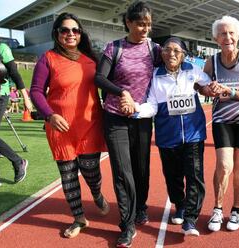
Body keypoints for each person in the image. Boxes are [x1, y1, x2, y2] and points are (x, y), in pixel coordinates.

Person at [30, 12, 109, 239]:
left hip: (90, 124)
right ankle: (79, 218)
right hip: (60, 128)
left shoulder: (91, 59)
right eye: (65, 30)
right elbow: (36, 91)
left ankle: (96, 193)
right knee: (68, 176)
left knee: (90, 170)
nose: (70, 34)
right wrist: (49, 115)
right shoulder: (48, 58)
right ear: (57, 34)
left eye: (75, 30)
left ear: (80, 33)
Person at [127, 37, 214, 236]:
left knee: (195, 176)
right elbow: (152, 106)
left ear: (183, 54)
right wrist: (136, 110)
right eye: (167, 50)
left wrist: (207, 88)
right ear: (162, 53)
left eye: (176, 50)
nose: (171, 54)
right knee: (173, 177)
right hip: (167, 136)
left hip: (194, 133)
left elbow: (207, 84)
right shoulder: (156, 76)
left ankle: (190, 219)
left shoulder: (192, 70)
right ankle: (180, 206)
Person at [94, 2, 160, 247]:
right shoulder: (115, 48)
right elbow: (99, 77)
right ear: (129, 23)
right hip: (115, 118)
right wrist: (123, 93)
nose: (145, 29)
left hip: (142, 119)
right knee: (123, 172)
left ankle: (141, 206)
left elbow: (173, 68)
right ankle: (127, 223)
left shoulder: (154, 49)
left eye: (149, 24)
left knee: (141, 169)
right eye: (141, 24)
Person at [203, 16, 239, 232]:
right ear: (216, 38)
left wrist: (231, 91)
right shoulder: (212, 61)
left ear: (237, 36)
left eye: (231, 33)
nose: (227, 37)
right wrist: (207, 89)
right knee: (224, 165)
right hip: (222, 119)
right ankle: (218, 209)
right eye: (222, 34)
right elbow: (200, 86)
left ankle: (235, 210)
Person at [0, 42, 32, 187]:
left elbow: (14, 72)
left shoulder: (2, 48)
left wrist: (25, 97)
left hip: (0, 94)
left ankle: (19, 162)